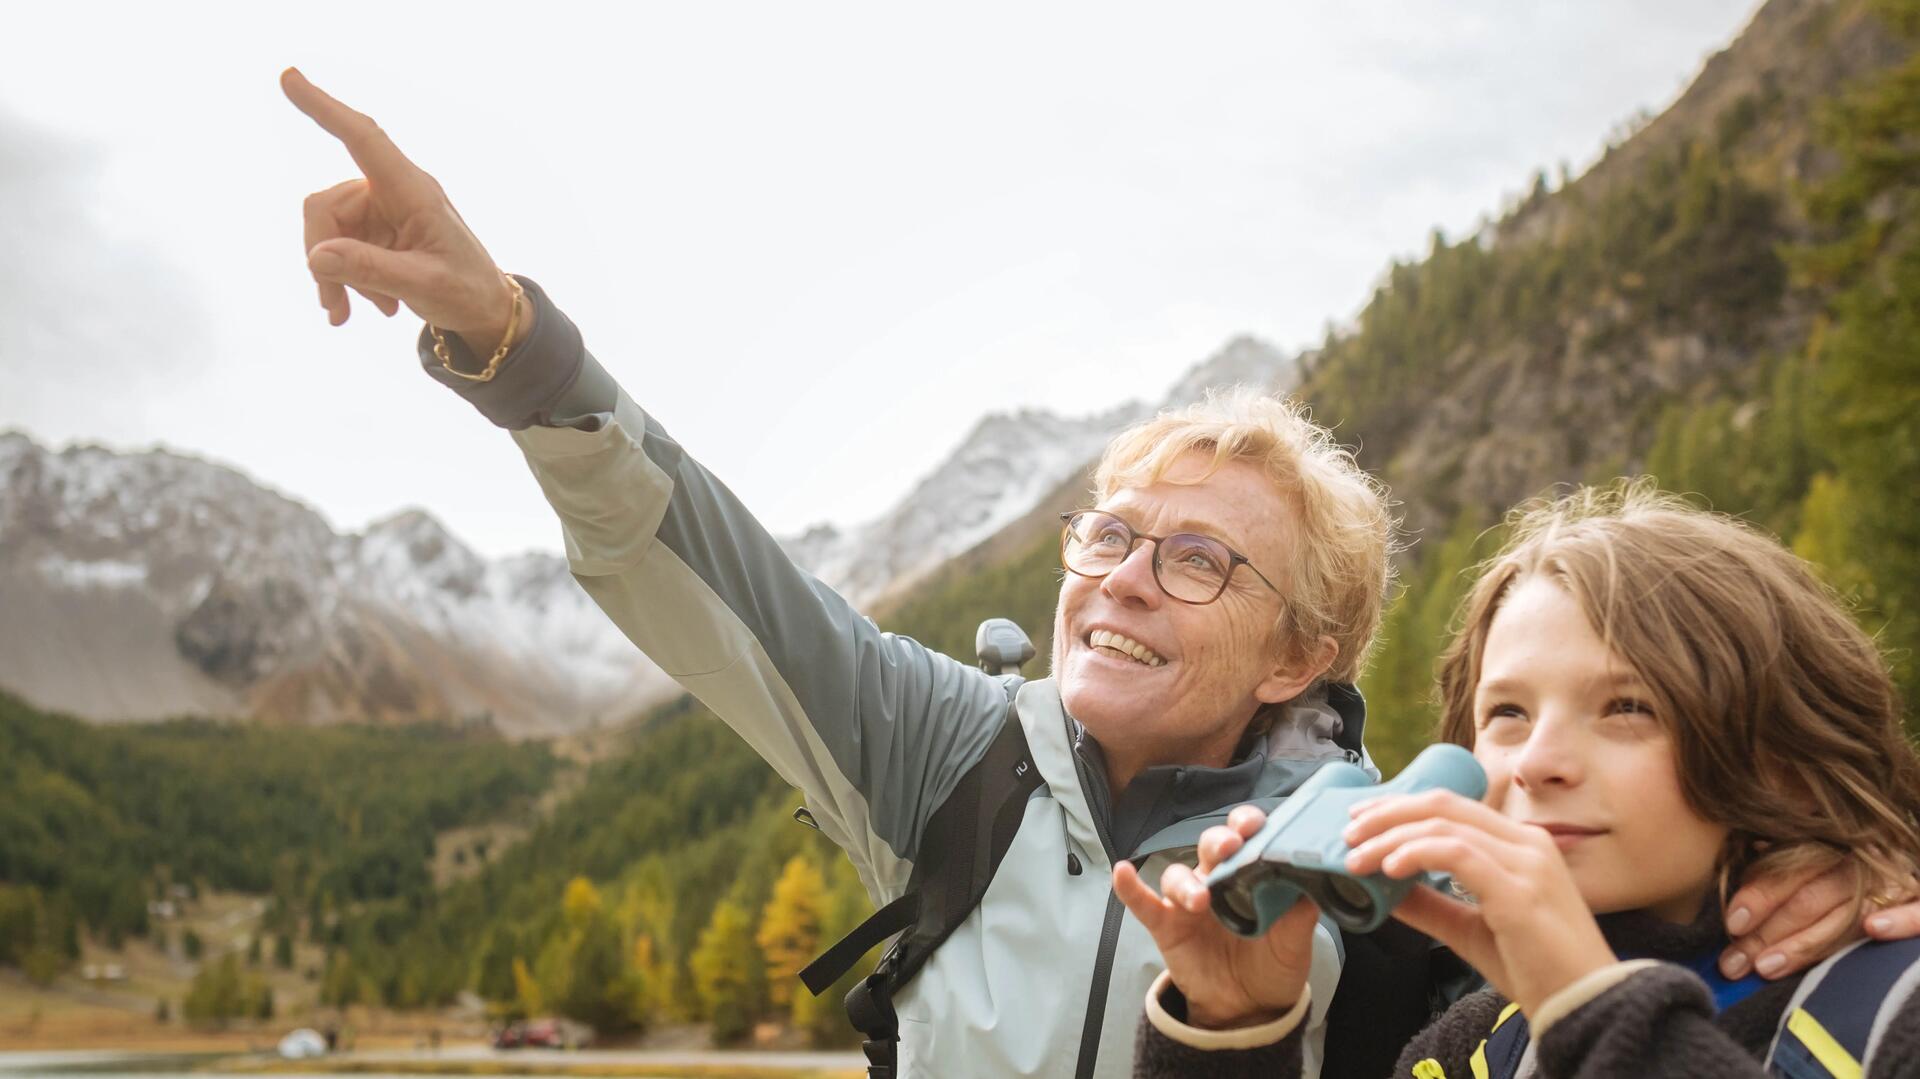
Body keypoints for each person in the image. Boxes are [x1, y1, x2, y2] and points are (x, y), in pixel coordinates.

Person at [279, 71, 1912, 1077]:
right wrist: (510, 342)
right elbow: (696, 559)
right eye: (1108, 534)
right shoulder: (950, 752)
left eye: (1198, 557)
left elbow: (1687, 838)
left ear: (1308, 644)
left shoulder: (1395, 852)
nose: (1121, 579)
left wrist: (1855, 853)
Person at [1121, 483, 1920, 1077]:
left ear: (1778, 748)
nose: (1539, 760)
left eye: (1628, 706)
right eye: (1506, 712)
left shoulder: (1893, 1005)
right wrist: (1234, 1030)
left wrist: (1594, 1011)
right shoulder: (1470, 1049)